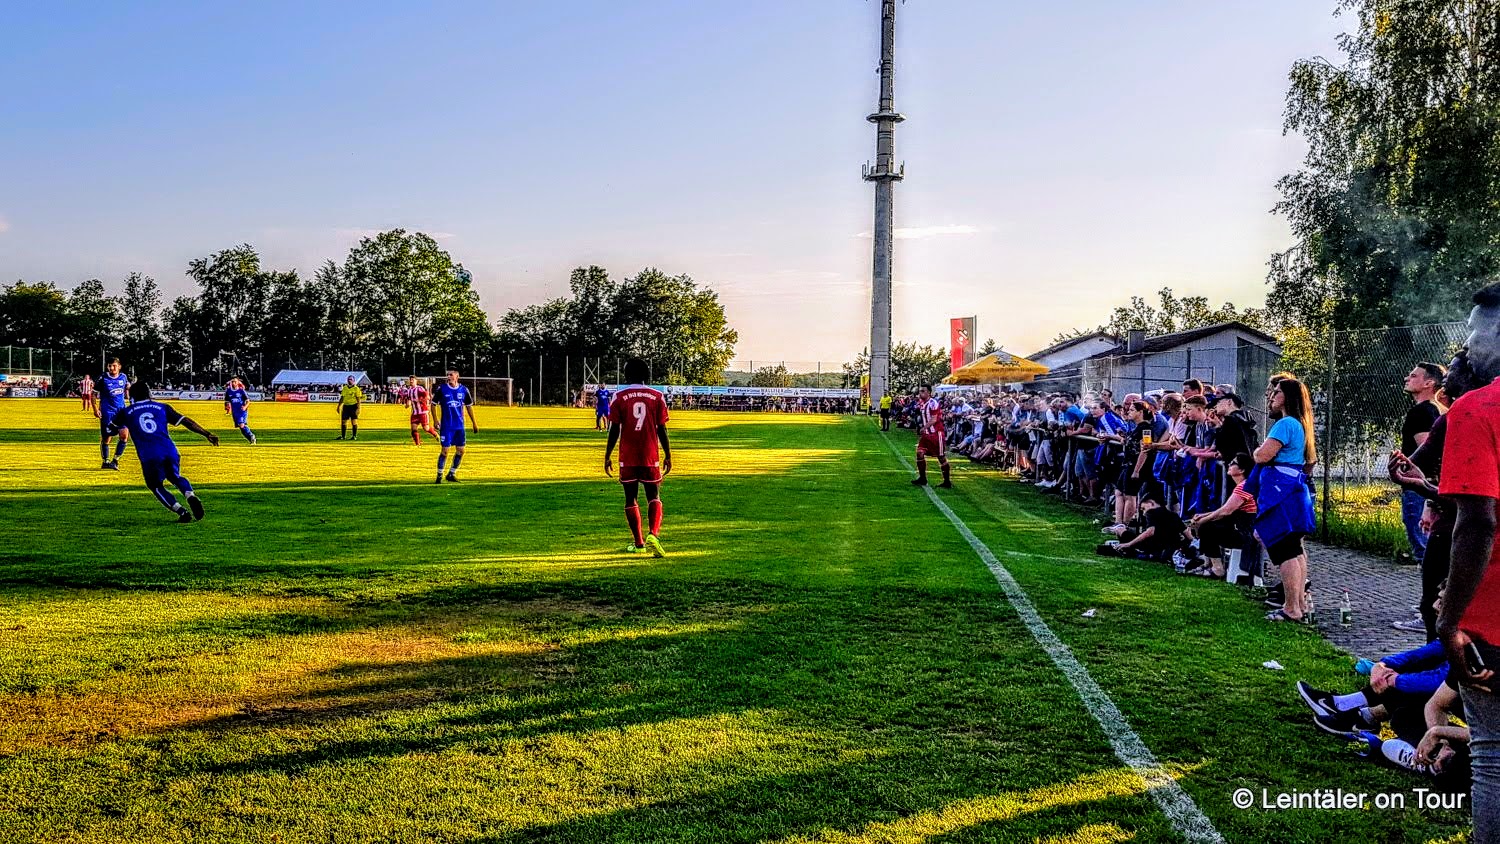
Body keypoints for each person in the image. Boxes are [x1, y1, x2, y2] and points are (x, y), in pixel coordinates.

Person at [1435, 279, 1500, 842]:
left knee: (1494, 754)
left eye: (1476, 331)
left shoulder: (1478, 408)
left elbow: (1477, 522)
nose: (1469, 344)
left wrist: (1449, 618)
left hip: (1493, 617)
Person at [1391, 355, 1482, 638]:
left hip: (1465, 523)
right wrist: (1428, 495)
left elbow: (1466, 491)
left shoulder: (1458, 416)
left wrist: (1422, 486)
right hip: (1452, 516)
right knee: (1438, 598)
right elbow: (1429, 468)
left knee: (1443, 601)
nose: (1446, 376)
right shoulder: (1447, 417)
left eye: (1452, 369)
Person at [1250, 377, 1318, 623]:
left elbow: (1263, 456)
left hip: (1281, 492)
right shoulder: (1301, 424)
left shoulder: (1285, 423)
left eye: (1277, 392)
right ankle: (1299, 604)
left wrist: (1257, 451)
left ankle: (1291, 608)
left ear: (1288, 398)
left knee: (1284, 549)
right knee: (1295, 549)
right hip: (1295, 491)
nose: (1271, 396)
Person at [105, 380, 219, 522]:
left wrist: (115, 427)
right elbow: (186, 421)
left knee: (155, 485)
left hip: (150, 455)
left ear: (131, 396)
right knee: (175, 477)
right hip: (170, 450)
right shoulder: (162, 407)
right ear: (148, 394)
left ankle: (182, 512)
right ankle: (190, 495)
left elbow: (110, 430)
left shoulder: (126, 412)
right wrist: (207, 434)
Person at [604, 358, 671, 557]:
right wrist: (668, 455)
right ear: (646, 375)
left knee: (630, 498)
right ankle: (653, 534)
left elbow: (614, 429)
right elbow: (662, 429)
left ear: (627, 375)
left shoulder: (619, 396)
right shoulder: (657, 396)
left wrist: (607, 455)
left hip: (628, 456)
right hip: (650, 456)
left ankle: (639, 543)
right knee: (654, 496)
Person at [1399, 362, 1447, 570]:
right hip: (1431, 487)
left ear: (1429, 383)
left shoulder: (1421, 412)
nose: (1407, 378)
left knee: (1425, 549)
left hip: (1419, 487)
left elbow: (1428, 451)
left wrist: (1402, 468)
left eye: (1413, 376)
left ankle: (1430, 589)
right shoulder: (1439, 411)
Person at [433, 369, 479, 483]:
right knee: (445, 451)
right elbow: (433, 404)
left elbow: (469, 406)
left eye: (451, 375)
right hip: (447, 426)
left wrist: (474, 423)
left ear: (457, 377)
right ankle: (439, 476)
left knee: (461, 451)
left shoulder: (464, 390)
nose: (448, 377)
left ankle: (451, 474)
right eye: (447, 375)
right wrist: (435, 420)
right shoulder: (442, 389)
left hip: (459, 426)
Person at [911, 385, 952, 488]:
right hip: (926, 434)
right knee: (919, 453)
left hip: (936, 434)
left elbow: (934, 419)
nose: (920, 393)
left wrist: (924, 427)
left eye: (923, 391)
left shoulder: (933, 403)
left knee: (941, 457)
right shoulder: (922, 403)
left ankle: (947, 481)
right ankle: (922, 478)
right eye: (920, 391)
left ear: (929, 392)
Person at [93, 358, 131, 470]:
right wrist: (95, 409)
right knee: (106, 439)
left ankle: (115, 461)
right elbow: (93, 394)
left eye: (114, 366)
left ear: (119, 367)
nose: (111, 368)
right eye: (109, 366)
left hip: (121, 412)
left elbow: (128, 388)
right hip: (107, 412)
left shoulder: (123, 377)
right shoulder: (103, 378)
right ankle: (105, 461)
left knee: (124, 436)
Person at [401, 376, 439, 445]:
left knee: (426, 428)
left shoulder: (419, 389)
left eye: (413, 380)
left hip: (423, 412)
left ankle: (435, 434)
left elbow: (428, 397)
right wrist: (407, 404)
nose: (411, 381)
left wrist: (421, 400)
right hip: (415, 413)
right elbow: (409, 399)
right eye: (410, 380)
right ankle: (417, 444)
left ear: (416, 381)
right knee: (413, 429)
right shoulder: (409, 390)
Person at [223, 378, 256, 444]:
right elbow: (227, 401)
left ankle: (251, 435)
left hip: (242, 411)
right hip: (234, 412)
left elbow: (248, 401)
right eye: (232, 382)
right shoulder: (228, 391)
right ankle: (251, 440)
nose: (233, 383)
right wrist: (227, 408)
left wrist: (245, 407)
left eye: (235, 382)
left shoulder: (241, 391)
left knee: (241, 425)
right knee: (241, 427)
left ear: (238, 383)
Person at [336, 376, 363, 440]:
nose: (349, 380)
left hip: (353, 406)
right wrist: (339, 406)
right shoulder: (345, 388)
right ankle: (343, 436)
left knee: (354, 421)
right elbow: (342, 397)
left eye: (351, 379)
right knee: (343, 421)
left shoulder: (356, 389)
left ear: (354, 380)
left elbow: (358, 399)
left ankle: (354, 436)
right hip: (346, 406)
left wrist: (358, 408)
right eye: (348, 379)